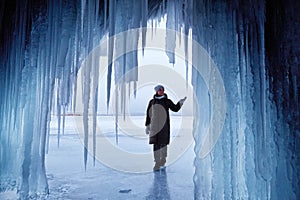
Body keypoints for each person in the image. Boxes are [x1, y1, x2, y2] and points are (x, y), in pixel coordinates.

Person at [145, 84, 187, 171]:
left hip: (164, 126)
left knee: (163, 145)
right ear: (156, 91)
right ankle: (157, 163)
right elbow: (148, 114)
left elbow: (175, 108)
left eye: (162, 89)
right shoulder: (152, 102)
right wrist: (147, 125)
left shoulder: (167, 101)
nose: (161, 91)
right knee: (156, 146)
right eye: (160, 89)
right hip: (154, 127)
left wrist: (180, 102)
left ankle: (163, 161)